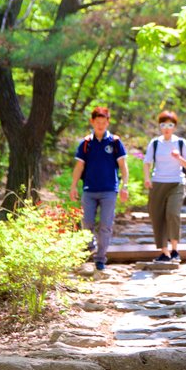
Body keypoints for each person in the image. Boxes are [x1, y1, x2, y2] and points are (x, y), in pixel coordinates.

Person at [69, 106, 129, 271]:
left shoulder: (115, 142)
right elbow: (79, 167)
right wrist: (73, 187)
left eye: (104, 122)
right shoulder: (86, 143)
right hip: (89, 189)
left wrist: (125, 186)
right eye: (98, 122)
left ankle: (100, 258)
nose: (101, 126)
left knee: (105, 224)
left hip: (109, 190)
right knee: (86, 222)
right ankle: (90, 244)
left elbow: (123, 166)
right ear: (92, 122)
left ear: (108, 122)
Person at [143, 110, 186, 263]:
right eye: (163, 124)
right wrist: (146, 178)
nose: (166, 128)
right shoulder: (155, 143)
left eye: (170, 125)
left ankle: (175, 250)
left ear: (175, 127)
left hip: (176, 182)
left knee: (172, 213)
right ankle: (164, 252)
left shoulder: (180, 142)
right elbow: (147, 162)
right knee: (157, 216)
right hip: (158, 182)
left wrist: (178, 157)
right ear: (159, 126)